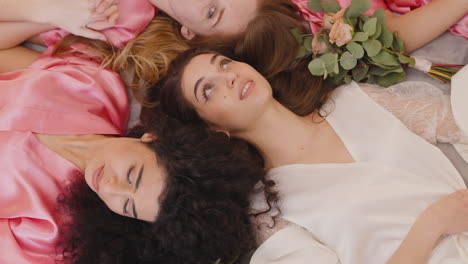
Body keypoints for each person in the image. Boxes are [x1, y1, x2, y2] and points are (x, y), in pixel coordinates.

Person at [155, 47, 468, 264]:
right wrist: (433, 224)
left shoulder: (352, 100)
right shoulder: (270, 211)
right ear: (212, 130)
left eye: (224, 64)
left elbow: (458, 121)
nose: (229, 77)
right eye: (207, 90)